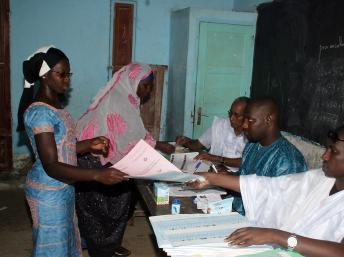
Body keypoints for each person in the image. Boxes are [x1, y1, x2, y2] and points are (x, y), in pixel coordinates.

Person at [19, 46, 128, 257]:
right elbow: (51, 165)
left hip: (63, 185)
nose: (66, 80)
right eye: (61, 74)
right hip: (48, 191)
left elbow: (61, 147)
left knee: (66, 243)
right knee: (52, 249)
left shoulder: (54, 105)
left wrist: (88, 144)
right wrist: (98, 175)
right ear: (44, 75)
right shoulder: (40, 112)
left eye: (68, 74)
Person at [188, 126, 344, 257]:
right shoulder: (319, 178)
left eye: (334, 152)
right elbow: (270, 187)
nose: (324, 156)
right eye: (327, 149)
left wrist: (275, 235)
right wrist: (212, 179)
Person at [74, 63, 174, 257]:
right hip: (92, 158)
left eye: (150, 87)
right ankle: (100, 248)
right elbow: (130, 137)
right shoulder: (117, 100)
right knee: (97, 207)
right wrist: (156, 149)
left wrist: (156, 146)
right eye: (145, 85)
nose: (147, 91)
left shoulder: (128, 99)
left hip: (112, 156)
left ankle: (108, 244)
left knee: (118, 203)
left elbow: (132, 134)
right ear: (133, 81)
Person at [232, 97, 308, 215]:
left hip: (258, 226)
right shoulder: (252, 146)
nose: (244, 125)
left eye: (250, 120)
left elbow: (280, 211)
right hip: (236, 212)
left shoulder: (288, 160)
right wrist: (223, 177)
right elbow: (244, 177)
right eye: (245, 120)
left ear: (268, 119)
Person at [176, 96, 249, 172]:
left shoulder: (252, 135)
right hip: (213, 170)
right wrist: (185, 141)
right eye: (230, 113)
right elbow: (198, 144)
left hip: (237, 177)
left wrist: (215, 158)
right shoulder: (221, 125)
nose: (232, 118)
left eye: (237, 115)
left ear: (247, 116)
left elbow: (247, 162)